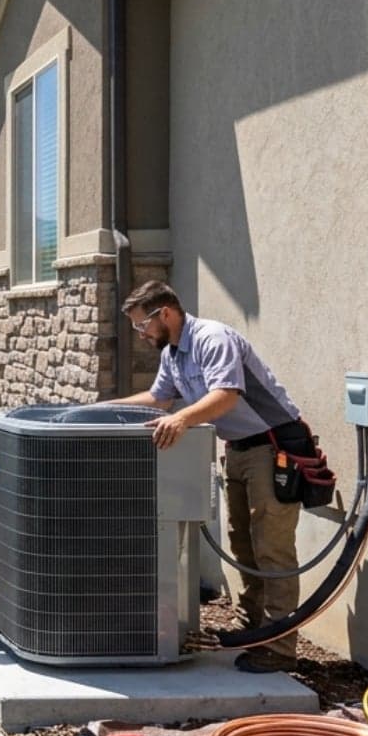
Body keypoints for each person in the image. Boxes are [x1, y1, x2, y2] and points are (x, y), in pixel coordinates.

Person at [113, 280, 313, 674]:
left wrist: (182, 419)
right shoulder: (172, 352)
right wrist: (99, 409)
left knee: (271, 547)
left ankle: (279, 646)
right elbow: (159, 398)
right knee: (244, 545)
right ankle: (252, 628)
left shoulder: (211, 338)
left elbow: (227, 394)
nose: (141, 335)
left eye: (142, 326)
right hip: (238, 449)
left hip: (273, 448)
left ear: (165, 313)